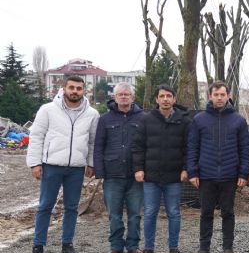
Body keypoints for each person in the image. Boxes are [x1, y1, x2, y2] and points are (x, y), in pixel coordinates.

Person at [27, 76, 100, 253]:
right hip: (51, 165)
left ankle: (67, 244)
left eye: (79, 88)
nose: (75, 91)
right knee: (45, 205)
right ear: (64, 89)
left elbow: (92, 141)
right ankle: (38, 244)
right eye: (71, 87)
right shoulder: (48, 110)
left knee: (72, 207)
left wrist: (91, 163)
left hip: (76, 168)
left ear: (84, 91)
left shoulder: (92, 114)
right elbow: (36, 136)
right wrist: (35, 163)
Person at [187, 81, 249, 253]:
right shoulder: (199, 119)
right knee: (206, 213)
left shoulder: (239, 120)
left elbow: (245, 148)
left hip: (230, 175)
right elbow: (192, 147)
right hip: (206, 175)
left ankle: (228, 247)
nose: (219, 98)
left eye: (223, 94)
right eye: (216, 95)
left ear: (228, 96)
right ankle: (204, 247)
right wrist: (192, 172)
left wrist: (243, 173)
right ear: (210, 96)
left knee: (228, 213)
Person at [132, 84, 190, 253]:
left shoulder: (184, 121)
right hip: (151, 177)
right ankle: (149, 247)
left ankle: (173, 247)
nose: (165, 99)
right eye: (162, 96)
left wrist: (186, 168)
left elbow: (189, 148)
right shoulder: (146, 120)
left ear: (174, 99)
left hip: (174, 177)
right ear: (157, 99)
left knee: (174, 212)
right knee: (150, 212)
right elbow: (138, 146)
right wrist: (138, 168)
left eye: (169, 96)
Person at [94, 83, 144, 253]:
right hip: (112, 175)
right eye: (120, 94)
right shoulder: (104, 119)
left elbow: (147, 145)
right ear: (114, 98)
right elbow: (98, 146)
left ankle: (133, 245)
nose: (123, 97)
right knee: (114, 214)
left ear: (132, 97)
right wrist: (99, 171)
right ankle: (116, 245)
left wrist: (144, 169)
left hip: (135, 175)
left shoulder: (143, 118)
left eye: (126, 94)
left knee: (135, 214)